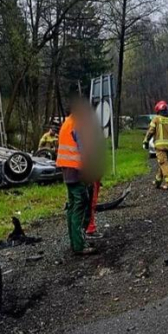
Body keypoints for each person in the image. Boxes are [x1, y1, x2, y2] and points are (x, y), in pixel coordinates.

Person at [56, 100, 103, 256]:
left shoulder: (67, 123)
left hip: (67, 171)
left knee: (72, 206)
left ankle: (76, 241)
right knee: (81, 205)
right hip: (78, 171)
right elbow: (85, 151)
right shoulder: (78, 124)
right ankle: (79, 245)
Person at [143, 101, 168, 190]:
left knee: (163, 164)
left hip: (159, 146)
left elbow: (150, 131)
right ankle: (157, 181)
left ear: (158, 110)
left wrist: (145, 141)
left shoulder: (156, 119)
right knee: (162, 163)